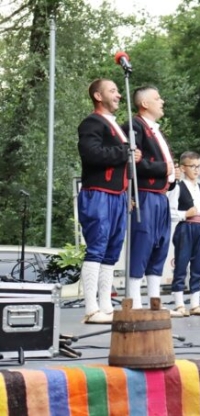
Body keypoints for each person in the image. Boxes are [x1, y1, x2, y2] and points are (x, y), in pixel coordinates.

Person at [77, 78, 142, 324]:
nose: (118, 95)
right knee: (97, 248)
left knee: (111, 252)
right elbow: (91, 154)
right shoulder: (92, 123)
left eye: (117, 90)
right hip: (99, 193)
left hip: (117, 195)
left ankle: (105, 304)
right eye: (112, 91)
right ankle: (91, 308)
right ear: (98, 96)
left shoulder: (115, 126)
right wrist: (124, 153)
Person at [123, 86, 179, 314]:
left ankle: (154, 298)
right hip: (145, 194)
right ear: (144, 103)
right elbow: (135, 162)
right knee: (142, 242)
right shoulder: (135, 126)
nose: (162, 101)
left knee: (160, 245)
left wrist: (172, 176)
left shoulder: (155, 130)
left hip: (161, 195)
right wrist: (165, 168)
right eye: (157, 98)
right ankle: (135, 299)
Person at [168, 151, 200, 316]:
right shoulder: (178, 187)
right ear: (183, 168)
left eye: (198, 166)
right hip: (186, 227)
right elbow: (171, 212)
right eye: (192, 166)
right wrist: (185, 214)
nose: (196, 170)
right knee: (181, 264)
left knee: (198, 265)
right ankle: (179, 304)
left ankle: (195, 303)